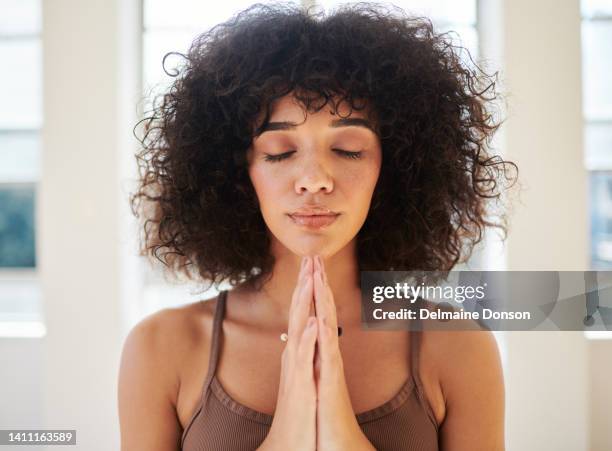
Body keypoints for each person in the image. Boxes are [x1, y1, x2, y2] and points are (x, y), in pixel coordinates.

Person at [119, 2, 516, 450]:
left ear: (395, 166)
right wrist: (290, 427)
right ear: (237, 170)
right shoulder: (160, 347)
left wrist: (337, 424)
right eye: (279, 152)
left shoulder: (459, 347)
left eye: (348, 149)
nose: (314, 180)